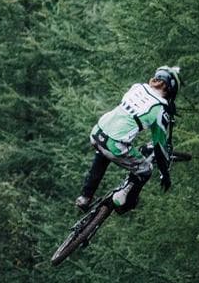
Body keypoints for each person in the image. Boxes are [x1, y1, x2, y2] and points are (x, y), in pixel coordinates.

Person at [75, 66, 181, 213]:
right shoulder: (160, 109)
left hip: (97, 132)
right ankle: (122, 200)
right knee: (145, 170)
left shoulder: (136, 87)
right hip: (115, 144)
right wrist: (165, 174)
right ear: (170, 90)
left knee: (102, 152)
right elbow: (160, 146)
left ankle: (85, 197)